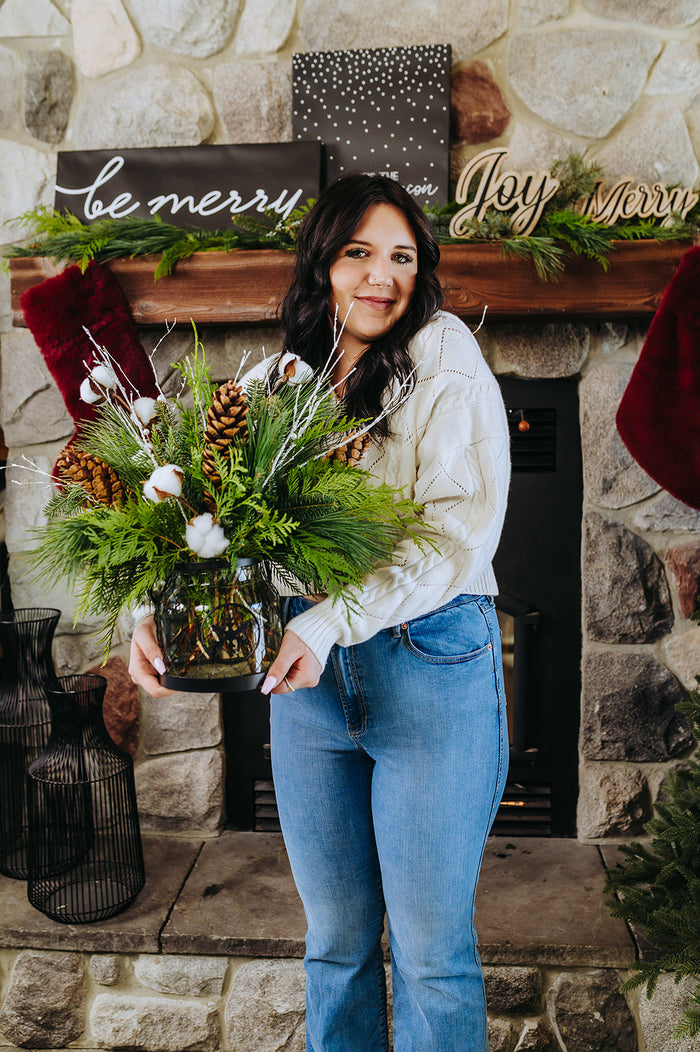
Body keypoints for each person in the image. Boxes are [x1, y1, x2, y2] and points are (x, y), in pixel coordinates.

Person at [129, 173, 511, 1052]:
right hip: (308, 687)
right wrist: (155, 611)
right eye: (358, 253)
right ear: (322, 266)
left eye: (402, 257)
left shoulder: (443, 353)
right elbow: (207, 520)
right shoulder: (279, 382)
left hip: (429, 667)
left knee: (429, 955)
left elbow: (455, 534)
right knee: (335, 945)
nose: (382, 276)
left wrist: (327, 622)